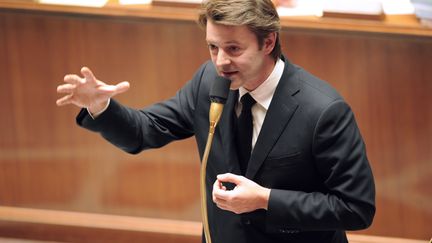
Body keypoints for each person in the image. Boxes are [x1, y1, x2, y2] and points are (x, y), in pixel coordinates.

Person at [56, 0, 375, 242]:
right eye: (213, 47)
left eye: (233, 48)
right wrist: (102, 106)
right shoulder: (209, 81)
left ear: (268, 42)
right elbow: (144, 132)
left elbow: (355, 208)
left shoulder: (323, 110)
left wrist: (265, 200)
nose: (221, 62)